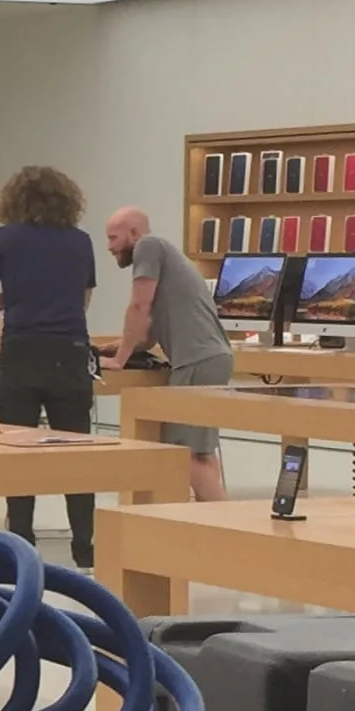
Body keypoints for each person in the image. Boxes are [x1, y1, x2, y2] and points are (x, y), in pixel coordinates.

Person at [0, 166, 99, 567]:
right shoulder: (81, 241)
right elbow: (83, 298)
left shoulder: (5, 238)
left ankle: (22, 543)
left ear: (15, 199)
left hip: (21, 351)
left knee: (18, 451)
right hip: (69, 351)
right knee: (77, 452)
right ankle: (84, 546)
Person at [105, 205, 233, 502]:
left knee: (183, 454)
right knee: (201, 452)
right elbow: (147, 334)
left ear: (133, 232)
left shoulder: (148, 246)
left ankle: (228, 522)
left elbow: (140, 306)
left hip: (195, 361)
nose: (109, 247)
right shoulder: (167, 256)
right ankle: (210, 519)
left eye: (113, 238)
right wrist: (109, 349)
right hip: (213, 359)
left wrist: (119, 360)